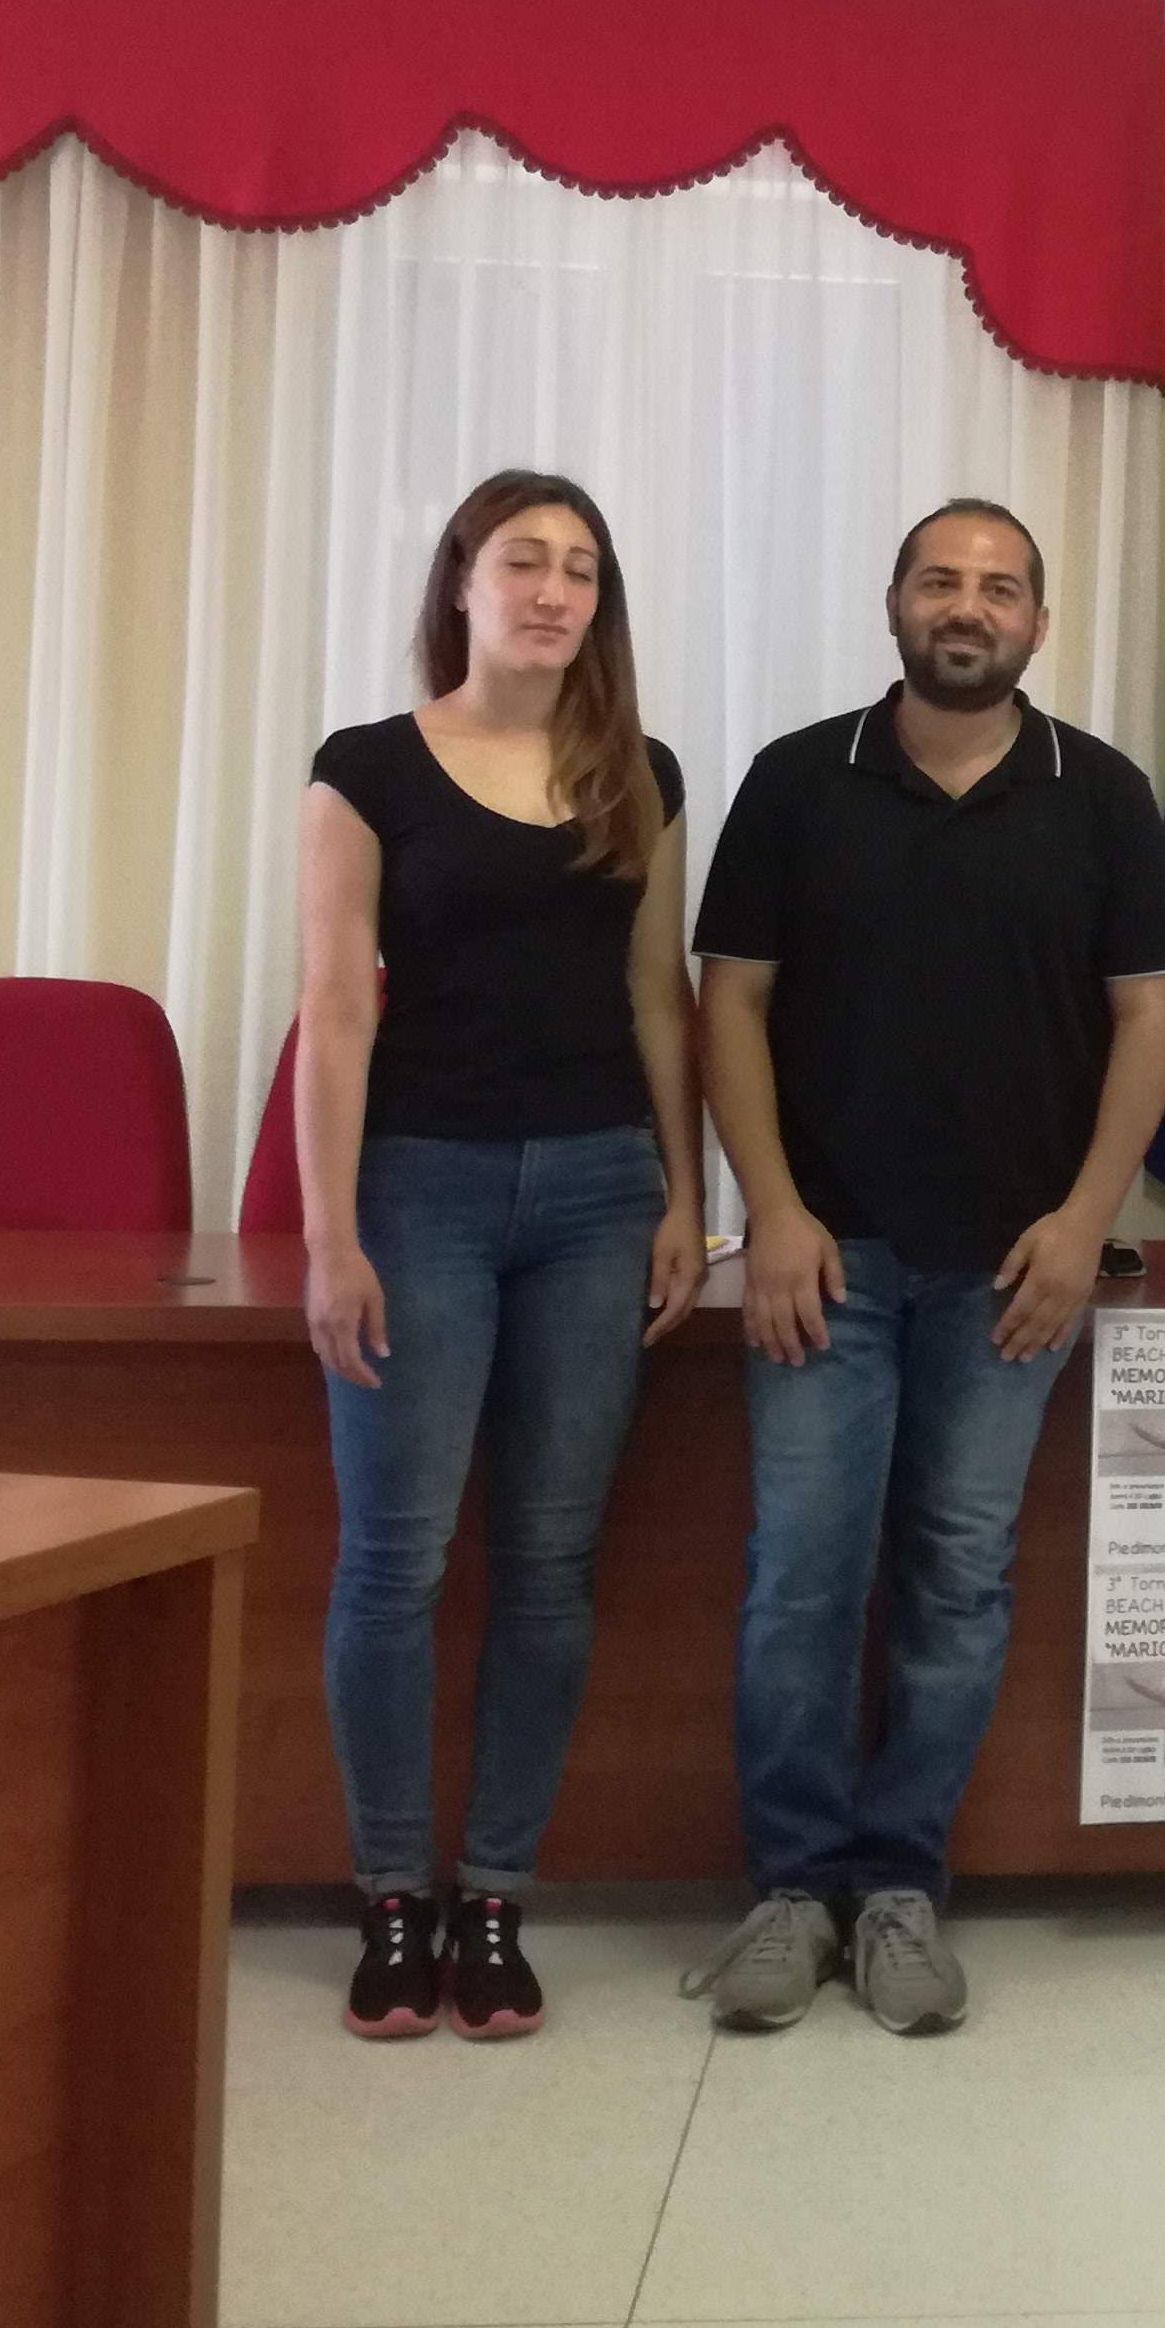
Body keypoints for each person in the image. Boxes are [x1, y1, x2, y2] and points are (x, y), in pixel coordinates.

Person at [681, 498, 1165, 2038]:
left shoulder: (1099, 794)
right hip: (823, 1262)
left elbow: (1151, 1023)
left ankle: (898, 1886)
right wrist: (765, 1208)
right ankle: (793, 1888)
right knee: (800, 1582)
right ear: (895, 603)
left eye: (1000, 588)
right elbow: (732, 1006)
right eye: (940, 581)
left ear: (1039, 622)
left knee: (958, 1583)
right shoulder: (796, 781)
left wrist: (1088, 1217)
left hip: (1013, 1273)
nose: (967, 607)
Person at [294, 469, 704, 2041]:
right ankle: (393, 1898)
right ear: (461, 584)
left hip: (601, 1195)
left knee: (547, 1565)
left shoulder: (641, 770)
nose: (552, 591)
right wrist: (332, 1235)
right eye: (521, 561)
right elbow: (335, 1012)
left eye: (581, 570)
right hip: (421, 1195)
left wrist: (689, 1193)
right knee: (394, 1563)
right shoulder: (367, 769)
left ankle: (493, 1893)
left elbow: (656, 996)